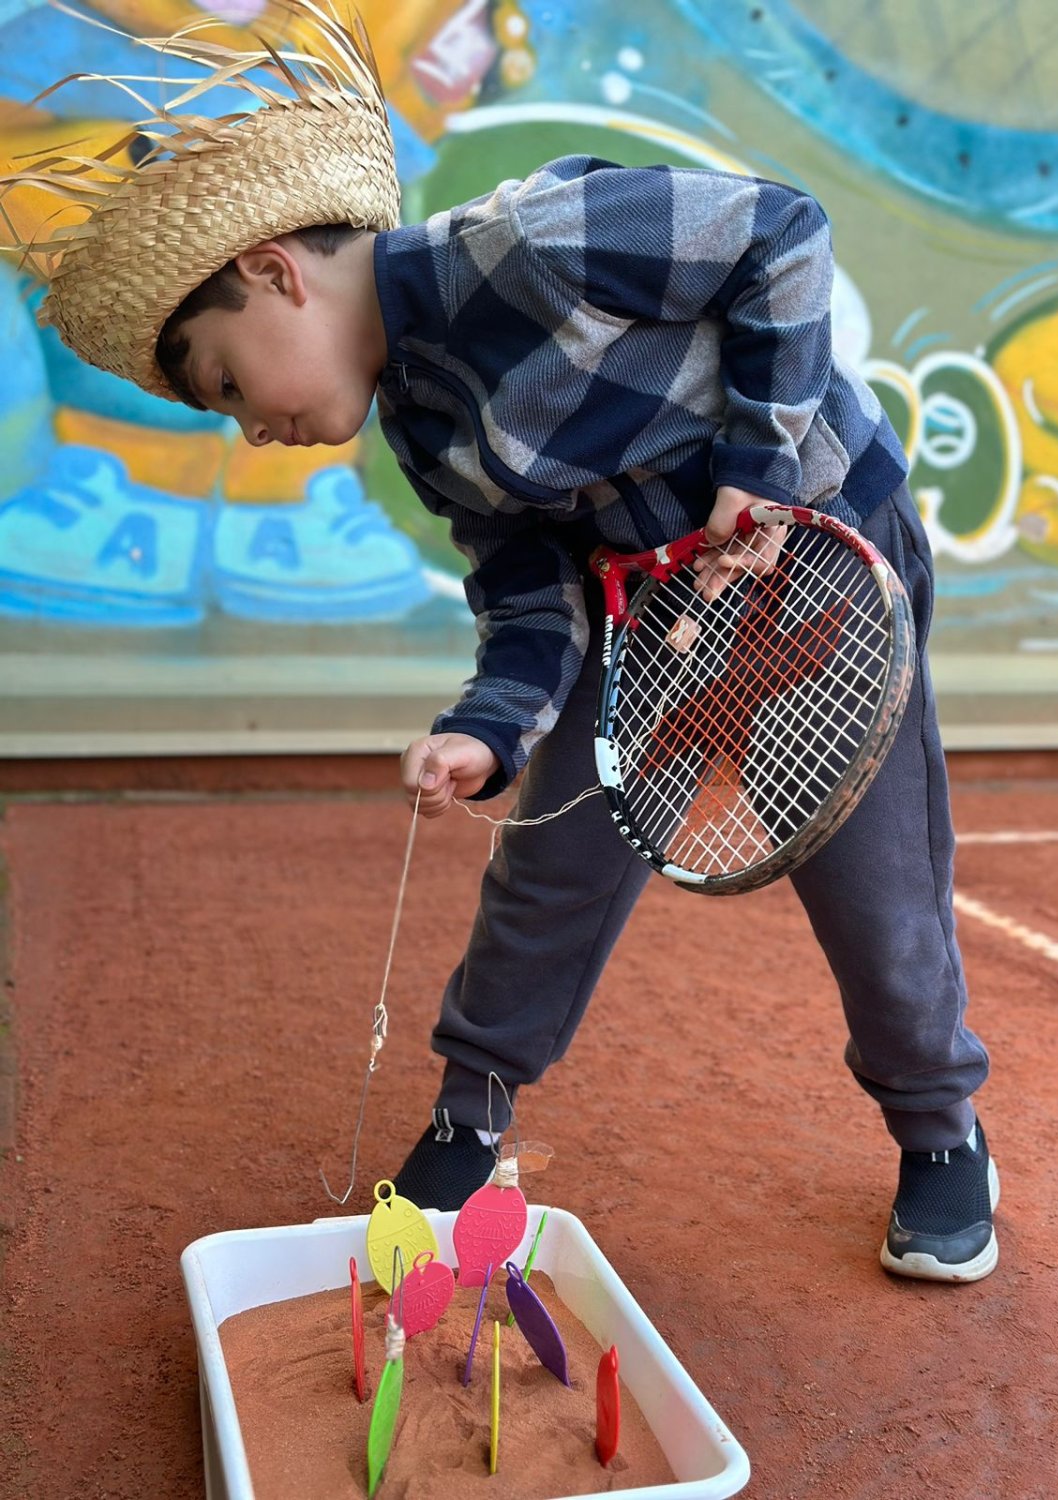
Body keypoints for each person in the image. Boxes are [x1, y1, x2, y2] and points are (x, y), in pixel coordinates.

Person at [1, 2, 997, 1284]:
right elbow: (529, 602)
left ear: (274, 272)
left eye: (230, 383)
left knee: (874, 884)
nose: (252, 429)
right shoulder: (419, 433)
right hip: (649, 622)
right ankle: (468, 1120)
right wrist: (484, 730)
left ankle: (939, 1132)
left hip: (819, 576)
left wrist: (760, 464)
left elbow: (780, 234)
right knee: (550, 865)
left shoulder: (531, 240)